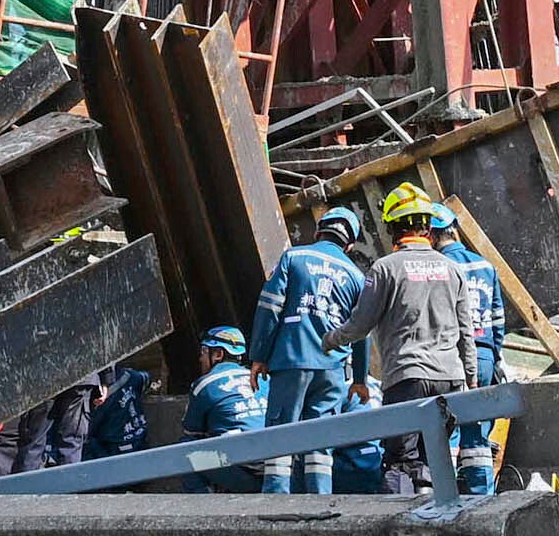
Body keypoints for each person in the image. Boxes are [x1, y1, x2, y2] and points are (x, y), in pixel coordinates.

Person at [364, 187, 496, 499]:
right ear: (428, 228)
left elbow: (360, 324)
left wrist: (330, 339)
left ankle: (401, 527)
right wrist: (470, 380)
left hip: (407, 378)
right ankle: (439, 522)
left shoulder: (385, 268)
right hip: (450, 379)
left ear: (392, 228)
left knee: (400, 459)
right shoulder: (455, 270)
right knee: (434, 457)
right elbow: (467, 332)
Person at [260, 204, 372, 495]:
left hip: (292, 361)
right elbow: (362, 332)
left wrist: (259, 355)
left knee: (281, 434)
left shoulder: (294, 258)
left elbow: (269, 308)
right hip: (333, 371)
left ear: (318, 231)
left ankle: (275, 504)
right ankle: (320, 503)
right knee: (320, 442)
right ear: (348, 244)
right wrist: (360, 379)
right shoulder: (357, 277)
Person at [180, 325, 274, 493]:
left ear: (218, 354)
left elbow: (191, 431)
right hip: (276, 474)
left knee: (186, 449)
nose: (200, 359)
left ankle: (205, 510)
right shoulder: (264, 379)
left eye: (203, 351)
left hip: (243, 475)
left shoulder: (204, 385)